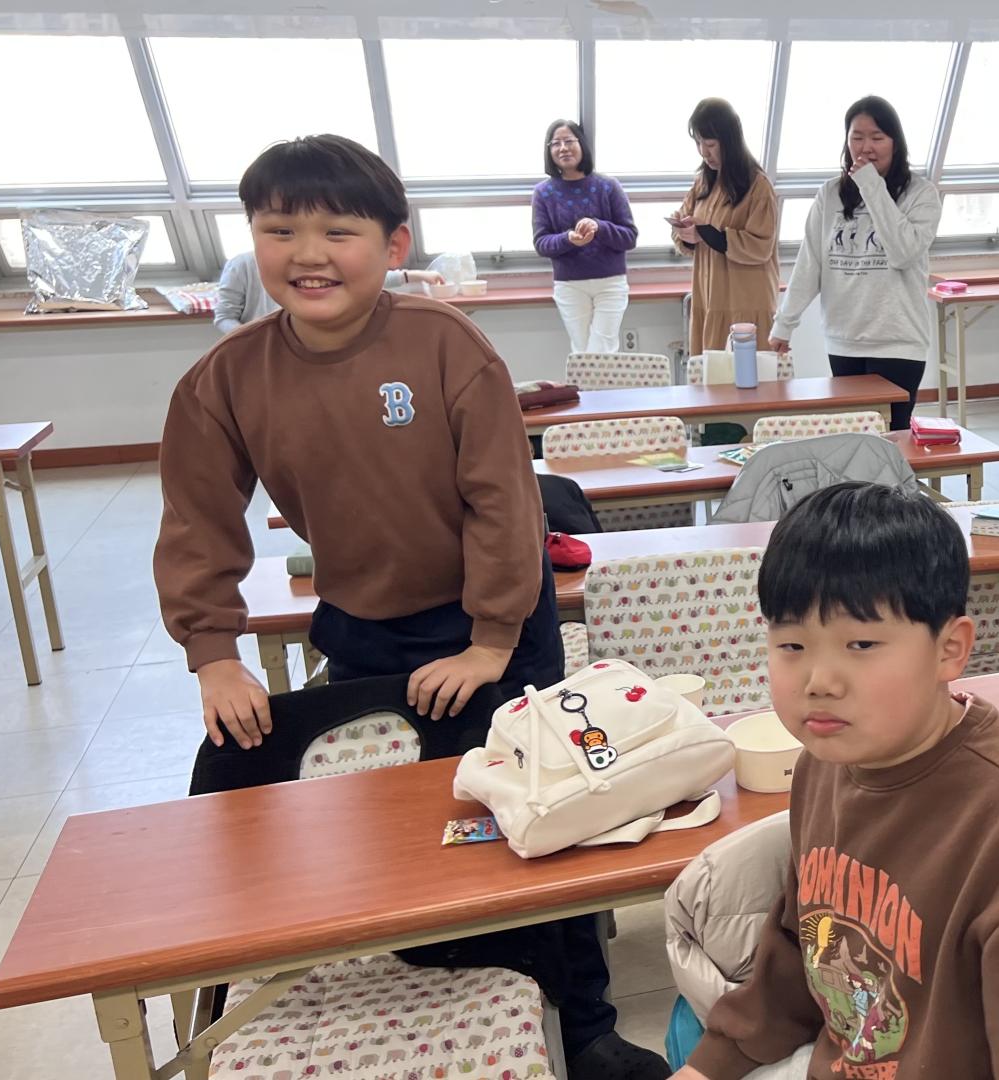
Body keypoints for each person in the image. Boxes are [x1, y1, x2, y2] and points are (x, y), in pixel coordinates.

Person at [153, 133, 667, 1080]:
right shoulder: (228, 378)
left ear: (393, 245)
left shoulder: (443, 345)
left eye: (337, 232)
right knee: (411, 823)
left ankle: (589, 1026)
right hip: (365, 626)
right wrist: (214, 652)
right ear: (252, 240)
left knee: (548, 813)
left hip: (493, 622)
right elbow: (196, 519)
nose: (308, 254)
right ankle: (453, 978)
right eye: (280, 230)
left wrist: (490, 641)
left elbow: (503, 500)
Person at [673, 482, 999, 1080]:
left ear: (950, 649)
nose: (819, 680)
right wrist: (710, 1066)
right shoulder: (824, 762)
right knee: (685, 1034)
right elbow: (800, 961)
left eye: (861, 644)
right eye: (792, 644)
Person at [769, 96, 942, 431]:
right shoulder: (830, 194)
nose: (866, 147)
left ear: (895, 142)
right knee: (854, 438)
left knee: (893, 440)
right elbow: (810, 264)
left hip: (898, 341)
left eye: (877, 137)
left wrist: (872, 186)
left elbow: (903, 252)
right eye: (857, 137)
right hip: (844, 339)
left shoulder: (921, 194)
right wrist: (784, 324)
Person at [667, 98, 781, 356]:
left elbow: (761, 246)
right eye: (698, 143)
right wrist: (685, 233)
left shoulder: (758, 186)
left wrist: (706, 233)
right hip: (709, 299)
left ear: (729, 141)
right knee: (711, 374)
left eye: (710, 144)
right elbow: (685, 222)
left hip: (746, 302)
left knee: (748, 374)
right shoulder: (703, 182)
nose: (703, 152)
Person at [532, 118, 638, 354]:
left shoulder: (608, 186)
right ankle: (586, 381)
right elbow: (541, 243)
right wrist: (568, 239)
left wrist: (599, 226)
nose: (563, 148)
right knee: (582, 351)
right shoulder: (543, 192)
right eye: (556, 143)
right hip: (569, 285)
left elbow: (629, 237)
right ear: (549, 151)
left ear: (582, 144)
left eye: (569, 141)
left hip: (610, 282)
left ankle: (596, 381)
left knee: (602, 351)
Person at [213, 249, 441, 334]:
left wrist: (412, 275)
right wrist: (252, 341)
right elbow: (224, 317)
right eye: (282, 231)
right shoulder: (241, 265)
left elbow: (360, 279)